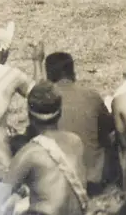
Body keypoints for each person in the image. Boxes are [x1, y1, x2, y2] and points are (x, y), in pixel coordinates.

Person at [2, 83, 94, 215]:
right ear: (60, 113)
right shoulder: (76, 142)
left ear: (29, 114)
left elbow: (0, 195)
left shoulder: (29, 152)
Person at [45, 51, 116, 193]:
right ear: (72, 72)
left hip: (57, 179)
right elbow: (109, 128)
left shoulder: (46, 100)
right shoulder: (91, 96)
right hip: (92, 180)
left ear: (49, 75)